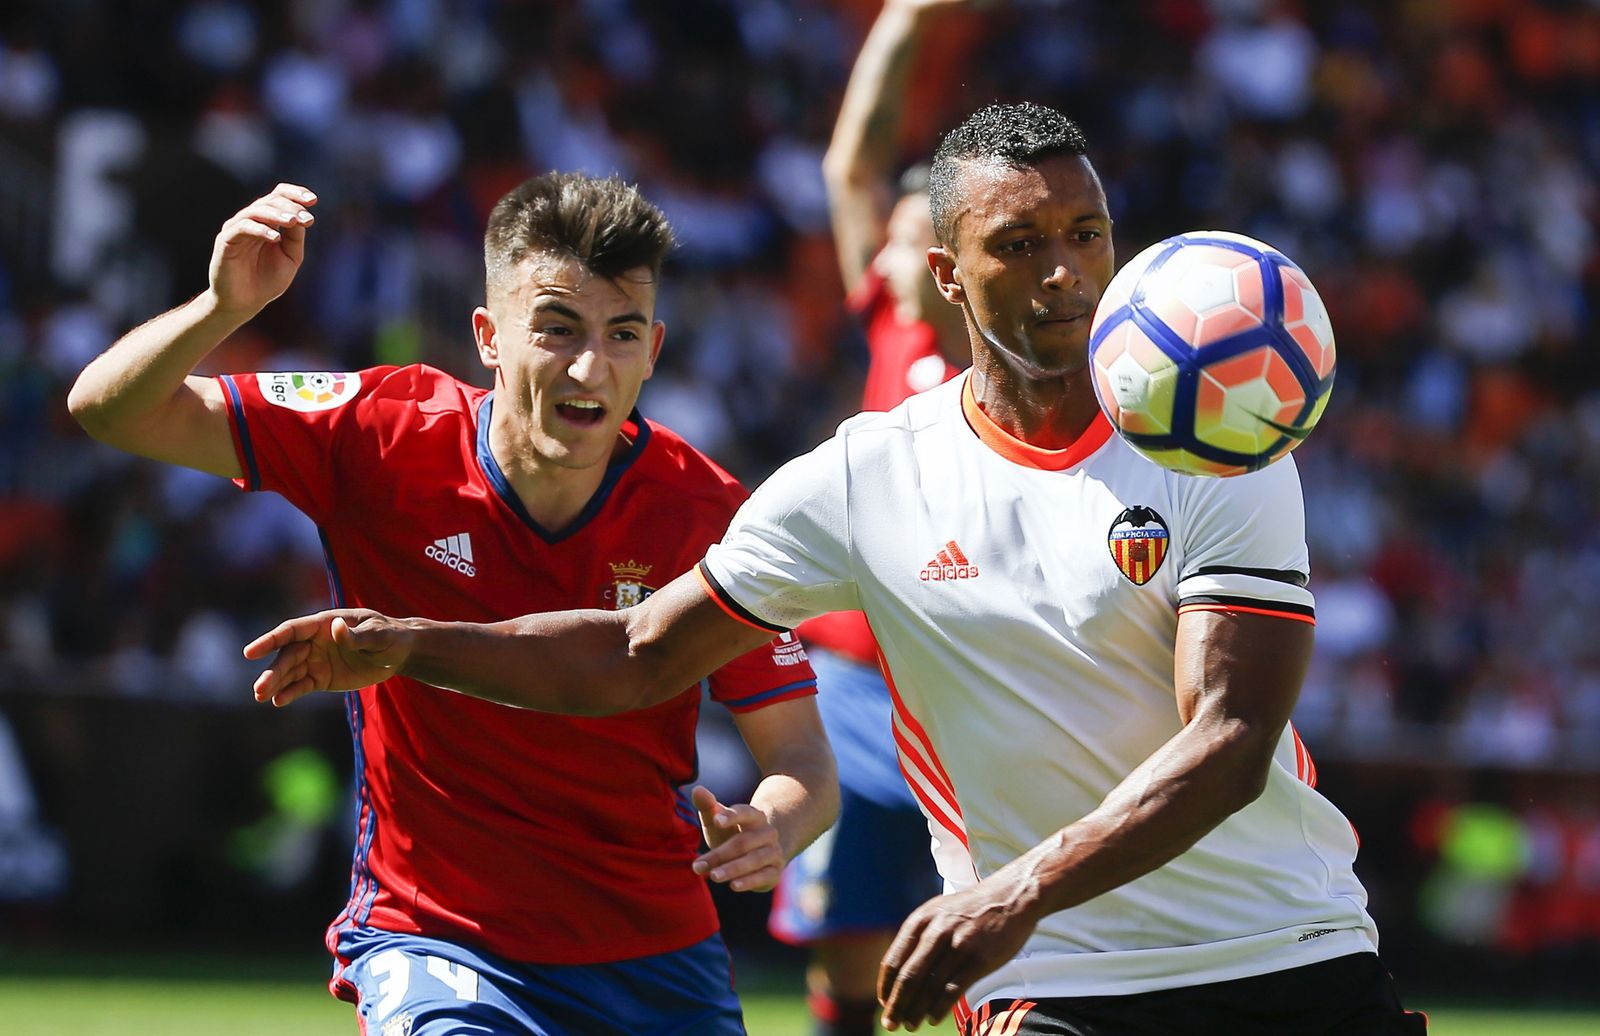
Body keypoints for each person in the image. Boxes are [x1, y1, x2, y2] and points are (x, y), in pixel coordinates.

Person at [246, 104, 1427, 1034]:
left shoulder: (1219, 434)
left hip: (1290, 947)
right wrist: (408, 643)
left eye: (1085, 235)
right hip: (1059, 981)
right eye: (1018, 244)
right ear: (945, 277)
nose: (1065, 272)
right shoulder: (868, 476)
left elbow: (1226, 739)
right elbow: (634, 654)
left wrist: (1010, 889)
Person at [67, 172, 838, 1036]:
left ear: (654, 349)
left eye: (622, 334)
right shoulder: (379, 430)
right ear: (488, 337)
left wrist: (771, 824)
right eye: (556, 329)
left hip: (654, 951)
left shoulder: (708, 512)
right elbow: (110, 410)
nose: (591, 366)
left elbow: (803, 760)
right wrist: (218, 307)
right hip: (436, 938)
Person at [772, 3, 968, 1034]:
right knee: (851, 964)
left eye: (904, 242)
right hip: (848, 686)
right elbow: (852, 161)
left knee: (985, 953)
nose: (882, 259)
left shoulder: (1018, 374)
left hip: (961, 689)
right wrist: (907, 17)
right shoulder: (892, 331)